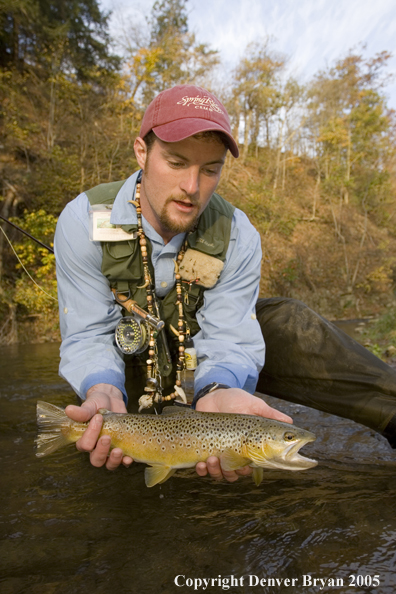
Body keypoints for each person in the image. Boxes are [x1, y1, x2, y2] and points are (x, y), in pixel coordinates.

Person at [55, 84, 396, 483]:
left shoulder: (238, 234)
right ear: (141, 153)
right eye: (177, 162)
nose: (192, 187)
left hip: (203, 357)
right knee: (101, 474)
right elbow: (88, 332)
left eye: (210, 169)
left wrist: (220, 388)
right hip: (129, 365)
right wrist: (101, 389)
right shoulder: (83, 221)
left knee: (287, 321)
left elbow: (230, 334)